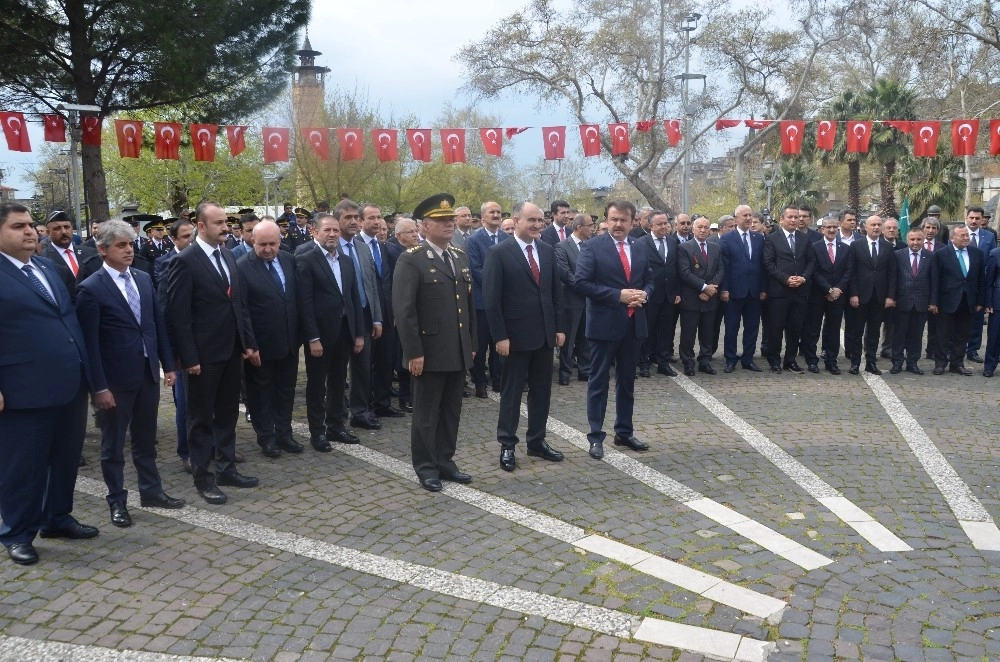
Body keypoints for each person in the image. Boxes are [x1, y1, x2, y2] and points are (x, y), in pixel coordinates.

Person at [0, 203, 97, 566]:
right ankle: (17, 532)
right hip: (22, 389)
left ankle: (57, 517)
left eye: (30, 225)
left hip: (68, 382)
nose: (29, 231)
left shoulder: (45, 267)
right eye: (17, 226)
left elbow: (67, 315)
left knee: (65, 458)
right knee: (22, 466)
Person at [76, 220, 185, 529]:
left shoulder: (142, 278)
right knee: (113, 447)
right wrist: (99, 387)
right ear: (102, 249)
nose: (128, 250)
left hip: (147, 375)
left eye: (131, 244)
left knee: (145, 440)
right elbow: (90, 345)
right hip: (115, 382)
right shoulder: (91, 289)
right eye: (121, 245)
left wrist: (168, 365)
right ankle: (117, 501)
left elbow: (155, 325)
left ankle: (151, 491)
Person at [165, 201, 259, 505]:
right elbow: (178, 315)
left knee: (228, 413)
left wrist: (247, 341)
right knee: (201, 418)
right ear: (201, 227)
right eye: (218, 223)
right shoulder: (186, 261)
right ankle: (203, 478)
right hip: (202, 358)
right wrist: (188, 358)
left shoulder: (229, 256)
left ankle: (227, 467)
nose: (225, 228)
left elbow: (239, 304)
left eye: (226, 223)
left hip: (231, 350)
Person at [393, 194, 477, 491]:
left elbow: (468, 306)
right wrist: (413, 352)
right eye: (442, 221)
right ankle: (426, 466)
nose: (449, 224)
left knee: (451, 410)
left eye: (451, 220)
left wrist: (471, 343)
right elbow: (405, 312)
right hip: (428, 352)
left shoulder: (458, 255)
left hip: (456, 349)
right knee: (427, 413)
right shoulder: (411, 259)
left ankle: (445, 460)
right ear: (424, 226)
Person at [485, 201, 566, 471]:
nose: (536, 225)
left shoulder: (546, 250)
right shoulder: (499, 253)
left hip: (544, 335)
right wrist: (500, 336)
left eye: (540, 220)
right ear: (516, 221)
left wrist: (559, 327)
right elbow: (492, 299)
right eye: (530, 220)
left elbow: (554, 292)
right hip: (515, 338)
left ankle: (536, 441)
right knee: (512, 393)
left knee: (541, 392)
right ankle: (507, 444)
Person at [575, 200, 653, 460]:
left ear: (633, 222)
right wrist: (616, 295)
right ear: (606, 221)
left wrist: (645, 293)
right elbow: (582, 283)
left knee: (627, 381)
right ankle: (596, 436)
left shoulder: (640, 247)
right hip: (604, 325)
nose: (618, 224)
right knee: (598, 382)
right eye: (614, 219)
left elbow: (649, 279)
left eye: (624, 219)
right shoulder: (592, 247)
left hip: (633, 324)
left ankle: (624, 431)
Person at [296, 214, 365, 450]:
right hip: (320, 336)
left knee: (338, 381)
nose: (333, 234)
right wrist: (312, 337)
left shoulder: (346, 261)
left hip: (344, 332)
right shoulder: (306, 260)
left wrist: (358, 333)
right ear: (314, 232)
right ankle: (318, 432)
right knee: (316, 385)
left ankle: (336, 426)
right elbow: (304, 304)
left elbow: (353, 298)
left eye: (336, 230)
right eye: (327, 230)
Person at [235, 220, 303, 458]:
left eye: (272, 244)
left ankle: (284, 433)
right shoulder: (242, 267)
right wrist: (250, 345)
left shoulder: (288, 260)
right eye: (262, 244)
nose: (267, 249)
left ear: (279, 241)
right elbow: (242, 310)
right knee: (261, 394)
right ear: (253, 241)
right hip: (260, 346)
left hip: (288, 341)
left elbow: (294, 299)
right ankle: (266, 437)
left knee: (286, 390)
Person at [154, 217, 196, 472]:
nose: (190, 241)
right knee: (185, 403)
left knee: (209, 402)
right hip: (182, 349)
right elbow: (165, 312)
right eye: (185, 237)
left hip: (206, 344)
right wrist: (171, 355)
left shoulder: (208, 258)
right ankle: (186, 451)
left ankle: (212, 445)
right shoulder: (166, 264)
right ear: (174, 240)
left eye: (193, 235)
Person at [338, 200, 384, 430]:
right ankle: (335, 415)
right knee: (336, 369)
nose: (354, 221)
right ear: (337, 220)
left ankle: (360, 411)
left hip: (364, 315)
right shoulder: (330, 246)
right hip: (339, 317)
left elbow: (372, 286)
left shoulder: (362, 247)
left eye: (356, 217)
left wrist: (376, 317)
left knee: (362, 367)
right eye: (348, 217)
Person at [358, 203, 404, 419]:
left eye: (379, 218)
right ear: (361, 221)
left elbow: (391, 282)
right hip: (365, 313)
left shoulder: (384, 247)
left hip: (387, 313)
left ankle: (383, 403)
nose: (377, 222)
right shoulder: (355, 246)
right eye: (371, 218)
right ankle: (364, 406)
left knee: (386, 359)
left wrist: (393, 312)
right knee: (365, 362)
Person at [763, 205, 815, 373]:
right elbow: (769, 263)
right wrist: (786, 279)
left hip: (800, 291)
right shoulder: (771, 239)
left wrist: (803, 278)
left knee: (795, 328)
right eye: (791, 217)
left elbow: (811, 261)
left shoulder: (805, 238)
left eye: (797, 217)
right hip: (779, 291)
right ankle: (774, 360)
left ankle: (790, 360)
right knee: (776, 328)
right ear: (782, 219)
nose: (795, 220)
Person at [466, 201, 510, 397]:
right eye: (492, 212)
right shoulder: (474, 240)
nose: (496, 215)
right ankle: (480, 382)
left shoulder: (506, 238)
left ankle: (498, 379)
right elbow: (475, 269)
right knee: (481, 343)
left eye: (498, 212)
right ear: (483, 217)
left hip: (502, 301)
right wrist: (497, 284)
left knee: (498, 341)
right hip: (482, 301)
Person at [930, 225, 984, 375]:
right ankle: (940, 363)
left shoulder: (977, 254)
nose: (966, 238)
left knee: (963, 334)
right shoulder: (941, 254)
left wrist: (980, 301)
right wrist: (934, 302)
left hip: (968, 300)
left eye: (967, 235)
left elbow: (981, 280)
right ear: (952, 238)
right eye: (962, 236)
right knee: (943, 334)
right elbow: (935, 280)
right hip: (947, 300)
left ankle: (957, 363)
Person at [845, 215, 896, 375]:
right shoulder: (856, 245)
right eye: (872, 224)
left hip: (879, 297)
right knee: (856, 331)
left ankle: (871, 362)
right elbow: (851, 272)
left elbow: (892, 274)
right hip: (860, 296)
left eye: (878, 224)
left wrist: (890, 296)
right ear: (865, 227)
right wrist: (853, 293)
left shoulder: (888, 247)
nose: (876, 227)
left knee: (874, 331)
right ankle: (855, 362)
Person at [803, 217, 853, 374]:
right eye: (828, 227)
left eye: (834, 227)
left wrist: (837, 289)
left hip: (838, 296)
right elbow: (813, 271)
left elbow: (848, 271)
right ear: (822, 230)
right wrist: (828, 290)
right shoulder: (814, 247)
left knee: (833, 330)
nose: (831, 230)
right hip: (818, 295)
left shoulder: (845, 248)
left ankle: (831, 361)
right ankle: (811, 360)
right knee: (813, 329)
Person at [719, 204, 766, 373]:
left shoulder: (759, 238)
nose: (748, 218)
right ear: (736, 218)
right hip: (733, 291)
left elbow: (763, 265)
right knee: (731, 327)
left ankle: (748, 359)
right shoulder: (727, 238)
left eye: (750, 215)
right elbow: (724, 266)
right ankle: (730, 359)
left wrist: (763, 288)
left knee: (752, 327)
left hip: (754, 291)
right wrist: (724, 289)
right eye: (744, 215)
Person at [677, 217, 725, 375]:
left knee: (707, 332)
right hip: (692, 297)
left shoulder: (715, 248)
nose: (703, 230)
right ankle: (688, 361)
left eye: (706, 227)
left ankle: (705, 360)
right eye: (699, 227)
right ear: (693, 229)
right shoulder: (684, 248)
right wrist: (704, 288)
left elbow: (720, 270)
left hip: (710, 298)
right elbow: (685, 273)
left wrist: (711, 289)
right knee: (688, 334)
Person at [637, 211, 680, 377]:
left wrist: (677, 292)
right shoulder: (641, 243)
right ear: (651, 226)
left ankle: (663, 362)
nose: (664, 227)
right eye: (660, 224)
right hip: (649, 295)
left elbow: (675, 269)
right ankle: (644, 363)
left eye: (665, 223)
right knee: (647, 331)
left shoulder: (672, 242)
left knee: (666, 331)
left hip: (669, 295)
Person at [889, 228, 935, 375]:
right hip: (902, 302)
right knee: (899, 334)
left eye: (918, 239)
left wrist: (933, 301)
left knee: (916, 335)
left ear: (923, 240)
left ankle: (912, 363)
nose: (915, 242)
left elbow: (934, 281)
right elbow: (893, 279)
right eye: (912, 239)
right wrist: (892, 297)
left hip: (921, 303)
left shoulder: (930, 256)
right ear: (907, 240)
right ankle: (897, 362)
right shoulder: (897, 255)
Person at [555, 213, 594, 384]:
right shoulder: (562, 247)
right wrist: (585, 287)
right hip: (572, 300)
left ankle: (585, 370)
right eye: (590, 225)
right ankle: (565, 372)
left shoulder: (591, 246)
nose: (593, 228)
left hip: (589, 300)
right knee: (568, 340)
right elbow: (564, 272)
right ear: (579, 227)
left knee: (586, 338)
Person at [388, 218, 421, 412]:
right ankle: (405, 396)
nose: (415, 235)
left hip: (418, 310)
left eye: (416, 231)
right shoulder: (394, 253)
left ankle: (414, 394)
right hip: (402, 311)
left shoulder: (418, 252)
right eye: (410, 232)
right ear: (399, 235)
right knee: (404, 355)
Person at [963, 206, 995, 363]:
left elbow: (992, 260)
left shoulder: (989, 237)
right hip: (961, 284)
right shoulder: (958, 234)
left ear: (982, 219)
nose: (974, 221)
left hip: (980, 284)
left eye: (977, 218)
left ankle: (973, 350)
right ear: (966, 218)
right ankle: (954, 349)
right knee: (958, 318)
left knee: (977, 319)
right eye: (971, 218)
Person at [982, 244, 1000, 377]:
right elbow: (988, 281)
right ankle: (989, 366)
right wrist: (988, 302)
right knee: (994, 336)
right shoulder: (995, 253)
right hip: (997, 302)